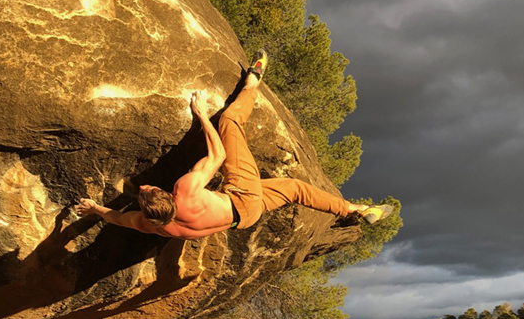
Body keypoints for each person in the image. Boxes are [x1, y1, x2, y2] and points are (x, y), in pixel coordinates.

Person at [74, 50, 393, 241]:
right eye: (147, 191)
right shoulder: (184, 190)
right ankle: (253, 83)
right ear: (167, 195)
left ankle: (356, 209)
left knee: (295, 189)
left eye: (143, 191)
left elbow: (115, 217)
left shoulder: (151, 226)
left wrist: (93, 208)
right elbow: (219, 154)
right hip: (243, 196)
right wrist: (201, 116)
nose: (144, 186)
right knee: (228, 122)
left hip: (245, 220)